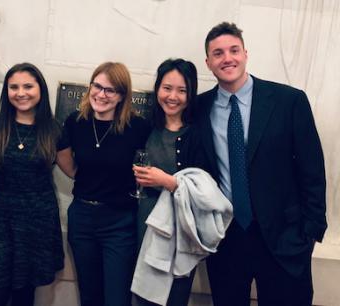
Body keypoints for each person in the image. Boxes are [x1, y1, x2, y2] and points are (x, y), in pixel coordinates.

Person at [195, 22, 327, 305]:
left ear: (245, 53)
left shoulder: (288, 101)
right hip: (226, 238)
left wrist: (310, 233)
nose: (227, 58)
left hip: (284, 239)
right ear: (208, 62)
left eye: (233, 50)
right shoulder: (198, 108)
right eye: (218, 53)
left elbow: (312, 171)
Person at [56, 62, 151, 306]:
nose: (101, 94)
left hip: (118, 222)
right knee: (89, 296)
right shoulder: (76, 122)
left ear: (122, 95)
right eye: (97, 86)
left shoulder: (137, 128)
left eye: (110, 90)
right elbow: (67, 163)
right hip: (82, 218)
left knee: (116, 298)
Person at [0, 63, 64, 306]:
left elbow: (75, 170)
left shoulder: (54, 130)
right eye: (14, 87)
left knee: (25, 293)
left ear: (40, 90)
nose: (20, 92)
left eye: (28, 86)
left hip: (38, 218)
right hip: (0, 217)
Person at [132, 58, 206, 306]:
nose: (173, 96)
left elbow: (205, 192)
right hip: (143, 224)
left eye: (182, 90)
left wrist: (166, 181)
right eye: (167, 88)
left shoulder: (197, 135)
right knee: (140, 296)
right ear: (157, 89)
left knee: (173, 297)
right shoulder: (144, 127)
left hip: (177, 231)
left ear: (191, 93)